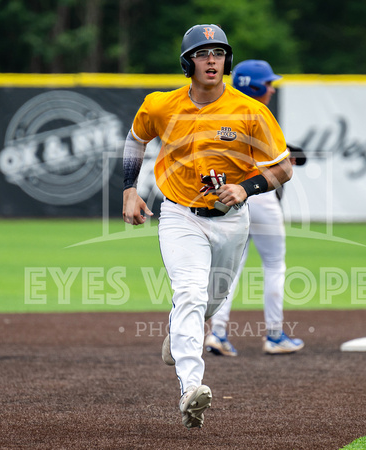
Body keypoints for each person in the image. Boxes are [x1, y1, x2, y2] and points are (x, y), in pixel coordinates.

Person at [122, 27, 293, 429]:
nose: (212, 60)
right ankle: (191, 389)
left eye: (219, 52)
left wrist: (246, 187)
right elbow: (135, 140)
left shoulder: (250, 111)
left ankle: (179, 326)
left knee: (210, 303)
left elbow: (283, 168)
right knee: (191, 292)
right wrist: (129, 189)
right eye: (203, 53)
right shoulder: (161, 106)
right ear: (188, 62)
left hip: (232, 222)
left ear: (227, 61)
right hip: (180, 215)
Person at [205, 60, 306, 357]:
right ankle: (274, 336)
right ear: (258, 87)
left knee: (231, 268)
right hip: (259, 193)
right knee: (274, 265)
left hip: (232, 195)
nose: (272, 89)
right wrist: (289, 154)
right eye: (269, 83)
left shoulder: (222, 109)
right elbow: (277, 162)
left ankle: (218, 334)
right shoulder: (259, 113)